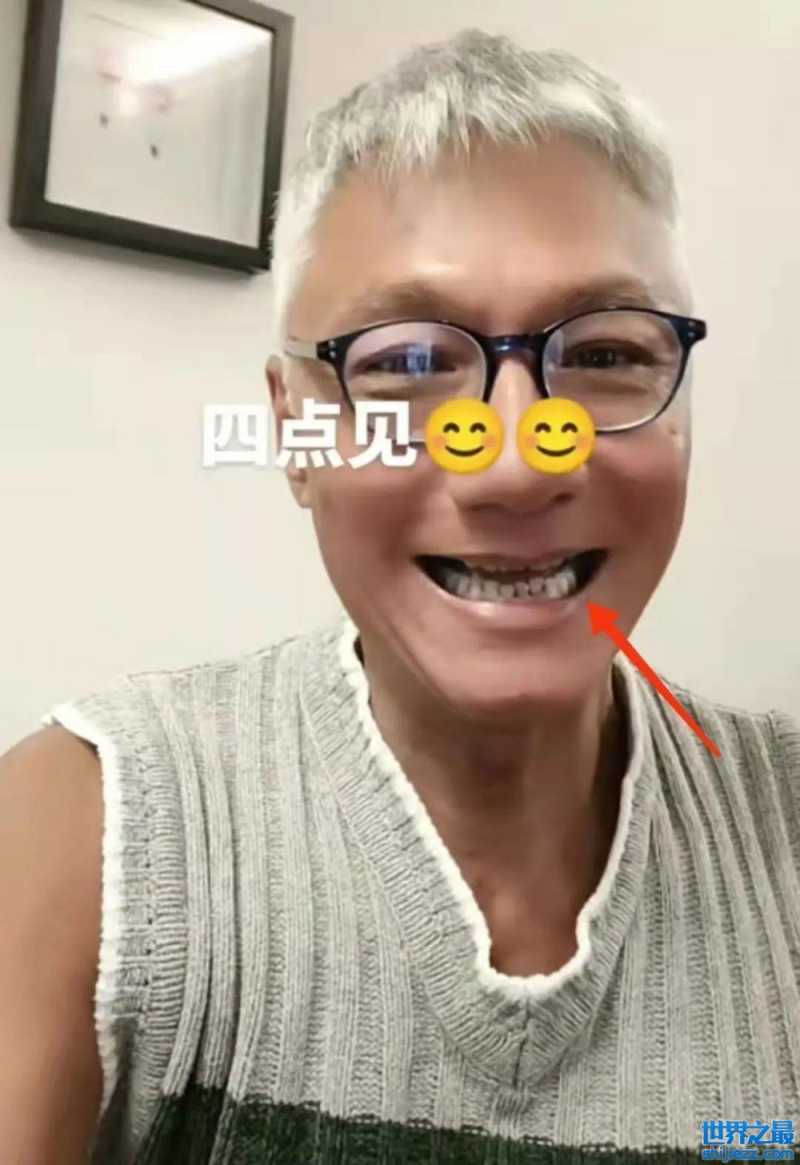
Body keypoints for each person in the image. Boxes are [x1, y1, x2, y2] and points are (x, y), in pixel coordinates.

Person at [1, 27, 798, 1165]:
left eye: (606, 354)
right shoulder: (101, 832)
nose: (515, 462)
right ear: (293, 432)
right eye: (410, 363)